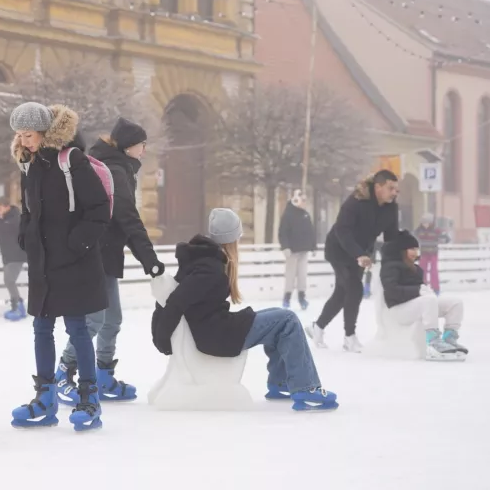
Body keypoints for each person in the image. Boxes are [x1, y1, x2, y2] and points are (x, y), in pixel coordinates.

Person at [151, 208, 338, 412]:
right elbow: (176, 301)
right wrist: (163, 340)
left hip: (216, 329)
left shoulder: (201, 259)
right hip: (217, 336)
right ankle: (306, 388)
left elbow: (173, 298)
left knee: (279, 319)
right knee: (288, 320)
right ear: (231, 239)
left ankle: (280, 383)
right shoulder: (209, 268)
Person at [7, 102, 110, 432]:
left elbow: (98, 208)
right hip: (43, 263)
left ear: (43, 132)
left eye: (29, 135)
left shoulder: (71, 161)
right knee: (41, 329)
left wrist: (76, 242)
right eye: (19, 136)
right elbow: (27, 210)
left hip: (73, 262)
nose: (24, 141)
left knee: (77, 329)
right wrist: (25, 236)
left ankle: (89, 398)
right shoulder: (29, 165)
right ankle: (45, 398)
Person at [55, 117, 163, 405]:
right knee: (94, 320)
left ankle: (103, 376)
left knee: (111, 320)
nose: (144, 150)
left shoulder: (117, 167)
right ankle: (62, 373)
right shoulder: (115, 170)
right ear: (129, 146)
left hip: (105, 252)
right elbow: (127, 218)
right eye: (142, 145)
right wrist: (149, 260)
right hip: (95, 253)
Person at [306, 170, 400, 353]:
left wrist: (400, 253)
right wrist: (359, 254)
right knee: (355, 288)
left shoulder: (391, 208)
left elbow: (391, 237)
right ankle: (350, 337)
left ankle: (317, 327)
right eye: (391, 188)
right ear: (378, 187)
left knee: (343, 292)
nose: (395, 192)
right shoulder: (356, 201)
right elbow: (342, 231)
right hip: (339, 250)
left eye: (397, 189)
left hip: (362, 253)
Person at [380, 230, 467, 359]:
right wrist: (418, 291)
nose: (415, 252)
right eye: (411, 249)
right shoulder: (390, 267)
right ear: (401, 250)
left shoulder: (416, 268)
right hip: (398, 310)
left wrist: (424, 290)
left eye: (416, 249)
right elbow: (392, 291)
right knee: (429, 300)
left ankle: (449, 338)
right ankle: (433, 342)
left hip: (417, 306)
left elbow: (422, 295)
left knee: (455, 303)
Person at [278, 189, 316, 310]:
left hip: (303, 250)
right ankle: (287, 298)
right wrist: (285, 247)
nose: (304, 203)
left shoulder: (305, 214)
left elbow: (310, 231)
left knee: (302, 275)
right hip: (292, 251)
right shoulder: (288, 214)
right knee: (290, 275)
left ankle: (302, 297)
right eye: (302, 200)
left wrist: (313, 245)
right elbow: (282, 232)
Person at [414, 213, 447, 295]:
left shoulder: (436, 230)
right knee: (422, 270)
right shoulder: (419, 230)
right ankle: (422, 287)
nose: (425, 225)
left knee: (433, 271)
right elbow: (412, 237)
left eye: (427, 223)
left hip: (433, 253)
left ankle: (435, 288)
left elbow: (446, 238)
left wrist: (442, 239)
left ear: (431, 223)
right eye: (423, 223)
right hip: (424, 253)